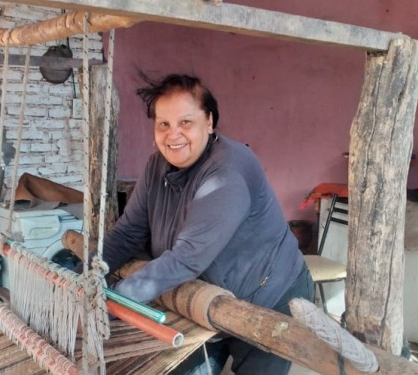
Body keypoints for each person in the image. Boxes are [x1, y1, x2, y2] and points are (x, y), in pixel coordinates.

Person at [99, 73, 314, 374]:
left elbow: (187, 258)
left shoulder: (226, 174)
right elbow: (128, 232)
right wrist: (89, 270)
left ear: (209, 122)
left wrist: (112, 301)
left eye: (185, 122)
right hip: (203, 299)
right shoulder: (155, 167)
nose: (173, 135)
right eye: (163, 124)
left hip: (268, 296)